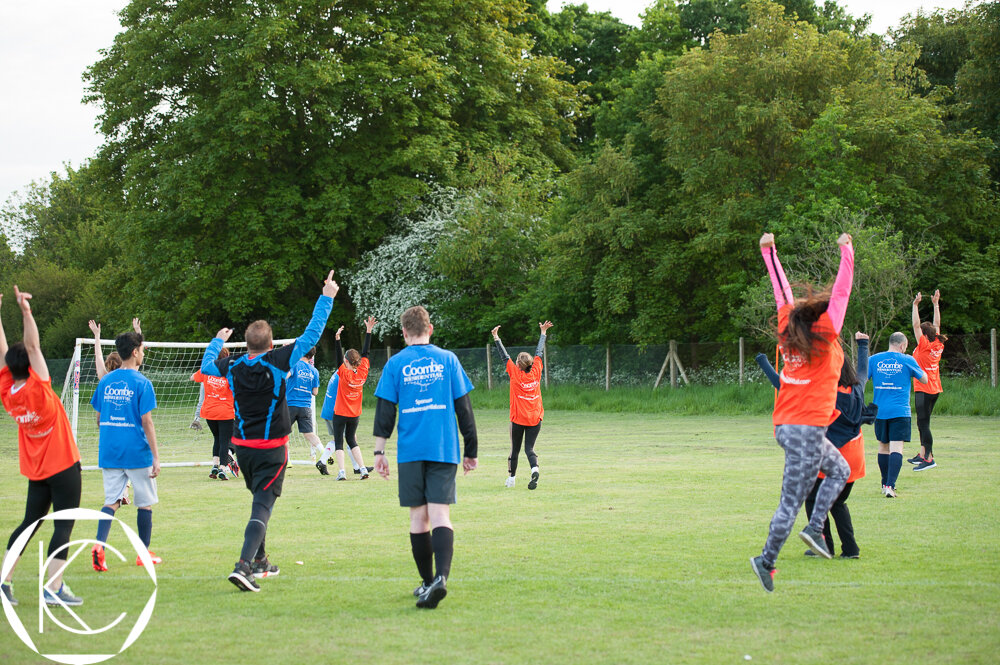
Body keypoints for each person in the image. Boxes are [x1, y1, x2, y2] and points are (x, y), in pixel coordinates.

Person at [202, 271, 337, 592]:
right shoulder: (279, 360)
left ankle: (261, 560)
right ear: (271, 344)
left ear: (247, 345)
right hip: (272, 449)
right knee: (262, 506)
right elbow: (311, 335)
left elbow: (207, 364)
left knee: (257, 502)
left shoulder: (232, 365)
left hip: (242, 450)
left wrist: (218, 340)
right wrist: (327, 298)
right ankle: (244, 565)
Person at [749, 232, 853, 593]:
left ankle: (815, 528)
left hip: (788, 425)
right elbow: (841, 293)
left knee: (840, 469)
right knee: (790, 503)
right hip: (807, 429)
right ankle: (767, 559)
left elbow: (781, 293)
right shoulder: (825, 334)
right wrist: (846, 251)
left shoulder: (786, 329)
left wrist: (769, 251)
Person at [373, 305, 478, 609]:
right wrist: (471, 450)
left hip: (411, 452)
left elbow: (384, 412)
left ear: (404, 332)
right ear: (430, 329)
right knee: (441, 515)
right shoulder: (448, 359)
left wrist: (379, 452)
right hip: (443, 449)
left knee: (418, 518)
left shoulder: (395, 364)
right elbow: (464, 408)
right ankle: (440, 580)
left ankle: (427, 580)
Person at [756, 331, 874, 559]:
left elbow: (783, 386)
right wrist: (863, 344)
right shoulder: (857, 387)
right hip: (855, 457)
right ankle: (848, 549)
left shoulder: (824, 393)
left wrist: (763, 363)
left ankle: (829, 546)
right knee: (838, 503)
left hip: (830, 456)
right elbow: (864, 371)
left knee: (813, 499)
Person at [1, 287, 84, 607]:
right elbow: (32, 345)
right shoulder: (40, 388)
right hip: (63, 466)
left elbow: (5, 352)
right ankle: (53, 587)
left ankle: (4, 582)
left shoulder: (8, 391)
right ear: (33, 366)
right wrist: (25, 311)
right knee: (64, 525)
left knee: (28, 524)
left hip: (37, 471)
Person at [90, 326, 162, 572]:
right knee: (145, 503)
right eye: (142, 349)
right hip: (136, 452)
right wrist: (155, 456)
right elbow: (147, 421)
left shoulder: (106, 381)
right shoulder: (142, 383)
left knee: (111, 501)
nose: (143, 353)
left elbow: (99, 419)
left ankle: (100, 546)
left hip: (109, 451)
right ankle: (143, 554)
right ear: (135, 352)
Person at [491, 321, 552, 490]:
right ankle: (535, 469)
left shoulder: (515, 374)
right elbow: (539, 351)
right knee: (529, 449)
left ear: (518, 364)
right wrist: (543, 333)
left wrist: (496, 337)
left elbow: (504, 356)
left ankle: (511, 479)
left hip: (518, 419)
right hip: (535, 418)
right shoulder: (536, 370)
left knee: (515, 450)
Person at [867, 332, 928, 497]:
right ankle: (890, 486)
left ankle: (883, 484)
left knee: (883, 447)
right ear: (902, 345)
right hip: (900, 411)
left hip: (879, 411)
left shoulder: (873, 359)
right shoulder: (907, 359)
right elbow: (924, 379)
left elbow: (861, 380)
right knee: (896, 448)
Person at [323, 318, 376, 481]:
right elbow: (366, 352)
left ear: (346, 361)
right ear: (358, 361)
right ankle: (362, 469)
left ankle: (342, 472)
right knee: (352, 440)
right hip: (355, 414)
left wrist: (337, 339)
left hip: (340, 412)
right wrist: (368, 331)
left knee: (339, 442)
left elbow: (339, 359)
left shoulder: (344, 373)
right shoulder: (363, 371)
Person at [909, 290, 945, 471]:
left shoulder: (923, 345)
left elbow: (916, 325)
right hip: (935, 389)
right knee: (923, 422)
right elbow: (937, 323)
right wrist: (935, 304)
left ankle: (929, 459)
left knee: (923, 423)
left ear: (924, 335)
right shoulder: (938, 343)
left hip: (924, 388)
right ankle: (923, 453)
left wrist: (915, 305)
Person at [191, 347, 239, 480]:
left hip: (209, 412)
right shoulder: (230, 371)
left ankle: (214, 466)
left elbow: (192, 377)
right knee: (224, 441)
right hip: (225, 412)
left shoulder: (207, 369)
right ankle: (223, 469)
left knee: (217, 439)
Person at [284, 346, 327, 474]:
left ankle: (288, 461)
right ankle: (324, 453)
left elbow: (286, 375)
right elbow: (315, 392)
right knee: (309, 434)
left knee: (283, 433)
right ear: (312, 356)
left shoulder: (295, 365)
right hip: (305, 407)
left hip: (290, 405)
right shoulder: (314, 371)